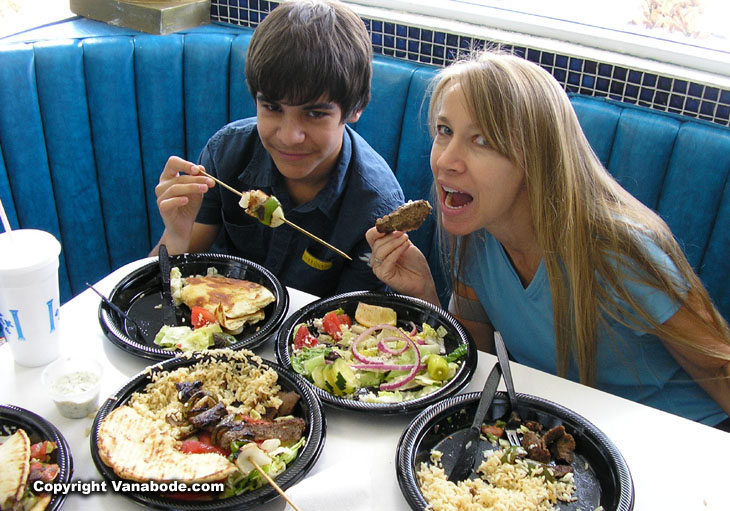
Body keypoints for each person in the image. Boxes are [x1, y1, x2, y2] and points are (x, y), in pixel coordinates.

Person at [366, 50, 730, 427]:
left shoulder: (618, 252)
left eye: (483, 140)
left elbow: (720, 366)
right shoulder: (475, 237)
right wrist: (425, 293)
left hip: (686, 437)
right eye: (445, 131)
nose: (445, 160)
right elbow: (474, 361)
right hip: (572, 435)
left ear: (537, 158)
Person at [151, 0, 404, 297]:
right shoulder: (227, 152)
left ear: (355, 109)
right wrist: (176, 236)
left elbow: (354, 326)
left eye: (314, 113)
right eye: (272, 107)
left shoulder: (376, 208)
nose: (289, 136)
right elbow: (160, 293)